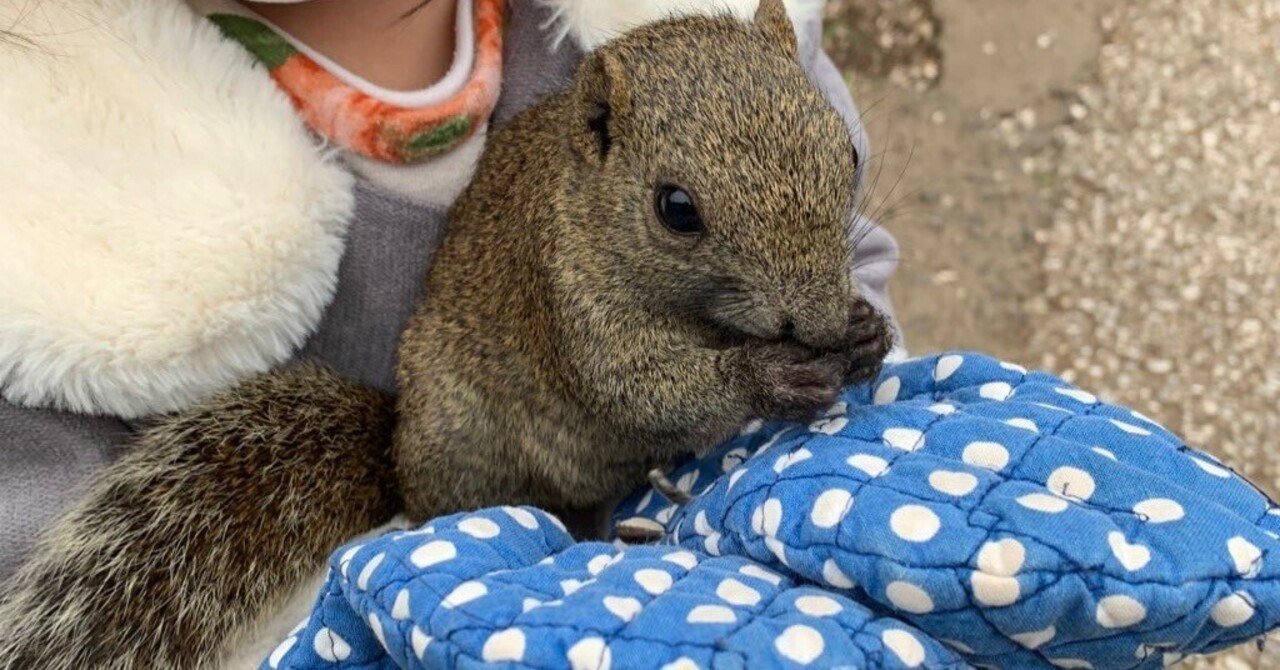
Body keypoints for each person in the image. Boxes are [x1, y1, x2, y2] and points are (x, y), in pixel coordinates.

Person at [0, 0, 901, 583]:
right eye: (680, 215)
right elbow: (620, 381)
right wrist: (745, 381)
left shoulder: (714, 42)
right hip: (486, 475)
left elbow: (837, 244)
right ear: (598, 130)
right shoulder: (46, 205)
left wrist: (852, 338)